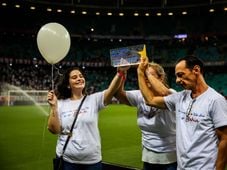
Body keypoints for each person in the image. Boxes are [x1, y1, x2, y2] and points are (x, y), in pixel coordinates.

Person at [137, 55, 227, 170]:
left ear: (196, 70)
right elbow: (150, 100)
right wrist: (141, 72)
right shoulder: (180, 97)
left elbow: (224, 139)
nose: (177, 80)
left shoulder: (215, 100)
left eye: (180, 75)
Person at [47, 67, 124, 170]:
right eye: (74, 77)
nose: (79, 78)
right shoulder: (60, 103)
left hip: (92, 161)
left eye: (81, 76)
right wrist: (54, 107)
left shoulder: (94, 100)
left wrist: (120, 73)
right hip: (67, 161)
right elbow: (54, 130)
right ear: (68, 85)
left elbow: (112, 90)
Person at [115, 63, 177, 170]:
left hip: (171, 156)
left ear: (161, 78)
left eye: (149, 75)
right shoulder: (139, 95)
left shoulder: (171, 93)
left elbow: (160, 93)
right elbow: (118, 94)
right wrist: (122, 73)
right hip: (148, 156)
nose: (146, 78)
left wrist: (141, 72)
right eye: (144, 76)